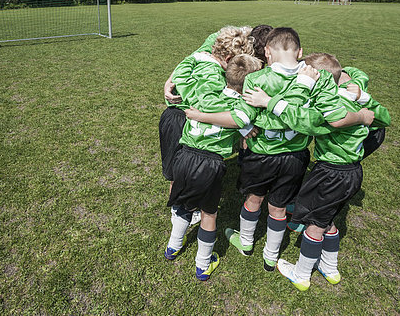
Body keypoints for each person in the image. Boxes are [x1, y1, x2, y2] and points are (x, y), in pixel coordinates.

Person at [184, 28, 374, 273]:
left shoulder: (258, 78)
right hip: (295, 156)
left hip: (262, 154)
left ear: (266, 51)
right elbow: (318, 120)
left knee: (253, 199)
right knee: (279, 206)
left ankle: (246, 242)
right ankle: (271, 257)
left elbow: (243, 117)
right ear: (300, 52)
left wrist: (249, 123)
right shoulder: (320, 78)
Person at [244, 52, 390, 291]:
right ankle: (330, 267)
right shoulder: (352, 98)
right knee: (328, 218)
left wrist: (269, 102)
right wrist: (363, 102)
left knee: (314, 225)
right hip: (353, 172)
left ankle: (301, 274)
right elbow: (383, 117)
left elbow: (302, 120)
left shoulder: (328, 109)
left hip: (330, 173)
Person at [165, 49, 263, 282]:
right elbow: (239, 119)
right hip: (210, 163)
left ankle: (173, 246)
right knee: (209, 214)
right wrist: (246, 129)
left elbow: (183, 76)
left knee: (182, 204)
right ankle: (203, 263)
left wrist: (199, 56)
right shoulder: (245, 107)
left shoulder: (203, 93)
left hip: (183, 156)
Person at [159, 26, 255, 225]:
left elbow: (183, 72)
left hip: (179, 117)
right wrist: (243, 124)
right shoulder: (212, 75)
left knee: (179, 171)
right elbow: (211, 105)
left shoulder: (201, 59)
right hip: (182, 119)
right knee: (180, 173)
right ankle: (182, 212)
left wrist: (188, 64)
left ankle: (179, 213)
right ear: (228, 59)